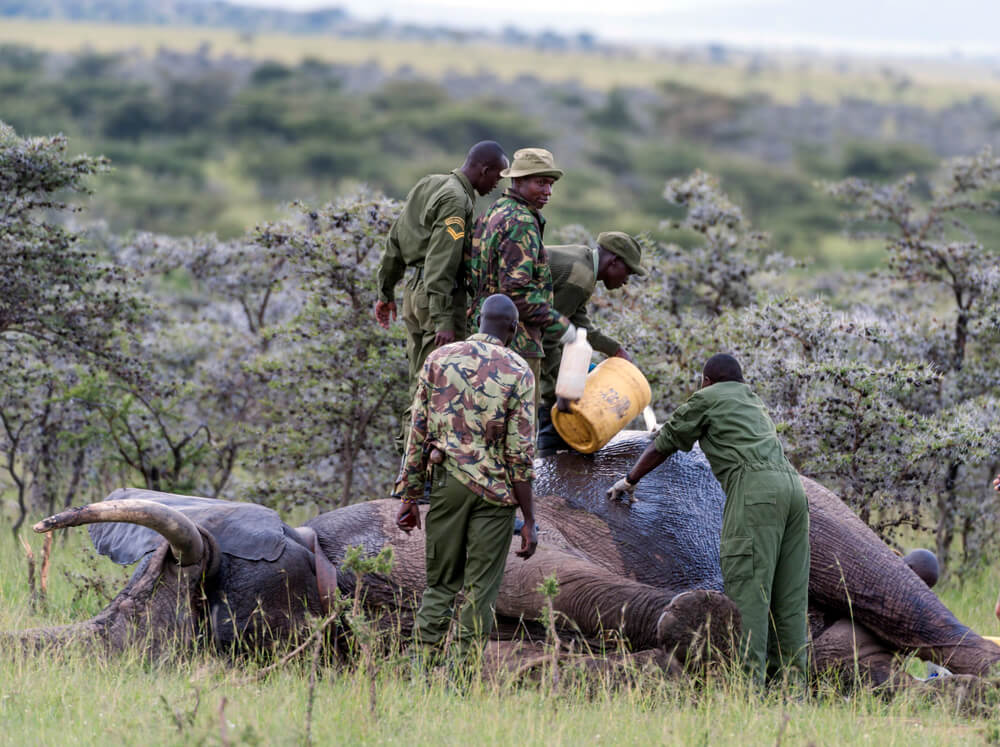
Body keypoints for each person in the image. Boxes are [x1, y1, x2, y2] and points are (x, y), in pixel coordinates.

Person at [606, 353, 809, 687]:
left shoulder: (707, 397)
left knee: (749, 592)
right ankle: (792, 690)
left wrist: (629, 480)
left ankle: (746, 690)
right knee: (789, 596)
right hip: (794, 491)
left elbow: (664, 443)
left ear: (707, 381)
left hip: (755, 492)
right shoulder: (751, 401)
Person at [394, 293, 538, 660]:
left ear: (478, 320)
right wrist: (530, 520)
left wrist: (409, 495)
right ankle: (459, 681)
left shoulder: (438, 359)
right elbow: (520, 453)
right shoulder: (520, 370)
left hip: (447, 484)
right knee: (480, 591)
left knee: (440, 585)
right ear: (514, 328)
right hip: (496, 495)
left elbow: (417, 431)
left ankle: (420, 671)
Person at [374, 141, 509, 405]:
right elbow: (441, 262)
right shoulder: (456, 201)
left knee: (419, 379)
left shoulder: (428, 183)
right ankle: (420, 446)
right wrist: (443, 319)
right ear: (484, 169)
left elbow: (396, 238)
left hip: (414, 294)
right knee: (436, 386)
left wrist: (386, 291)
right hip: (436, 299)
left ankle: (409, 446)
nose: (498, 184)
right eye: (497, 176)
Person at [466, 147, 575, 415]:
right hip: (517, 344)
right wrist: (562, 325)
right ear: (518, 181)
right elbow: (516, 294)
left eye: (550, 184)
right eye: (540, 183)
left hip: (479, 337)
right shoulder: (521, 222)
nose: (547, 191)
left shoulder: (492, 212)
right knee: (519, 427)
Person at [537, 232, 647, 453]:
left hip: (520, 322)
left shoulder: (586, 264)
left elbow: (578, 322)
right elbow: (548, 332)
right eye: (628, 272)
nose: (626, 280)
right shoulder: (580, 278)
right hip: (507, 323)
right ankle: (548, 459)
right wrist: (562, 388)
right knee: (554, 407)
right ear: (614, 261)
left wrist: (613, 349)